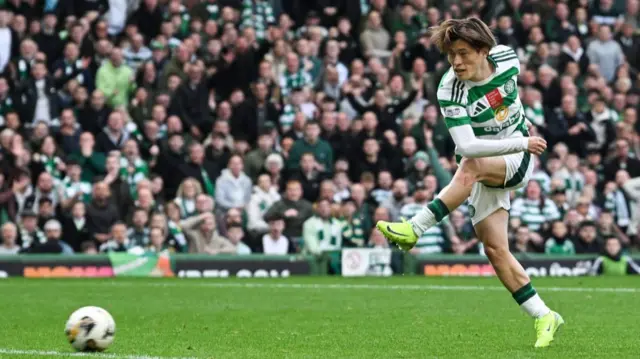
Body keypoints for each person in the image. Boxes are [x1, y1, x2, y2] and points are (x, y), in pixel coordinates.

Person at [376, 18, 562, 348]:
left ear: (483, 50)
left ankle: (415, 228)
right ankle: (544, 315)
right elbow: (466, 147)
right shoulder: (450, 89)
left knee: (471, 167)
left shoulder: (507, 58)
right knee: (494, 249)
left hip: (516, 159)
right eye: (451, 55)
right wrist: (522, 142)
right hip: (499, 154)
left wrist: (522, 143)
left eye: (463, 53)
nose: (456, 62)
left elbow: (471, 156)